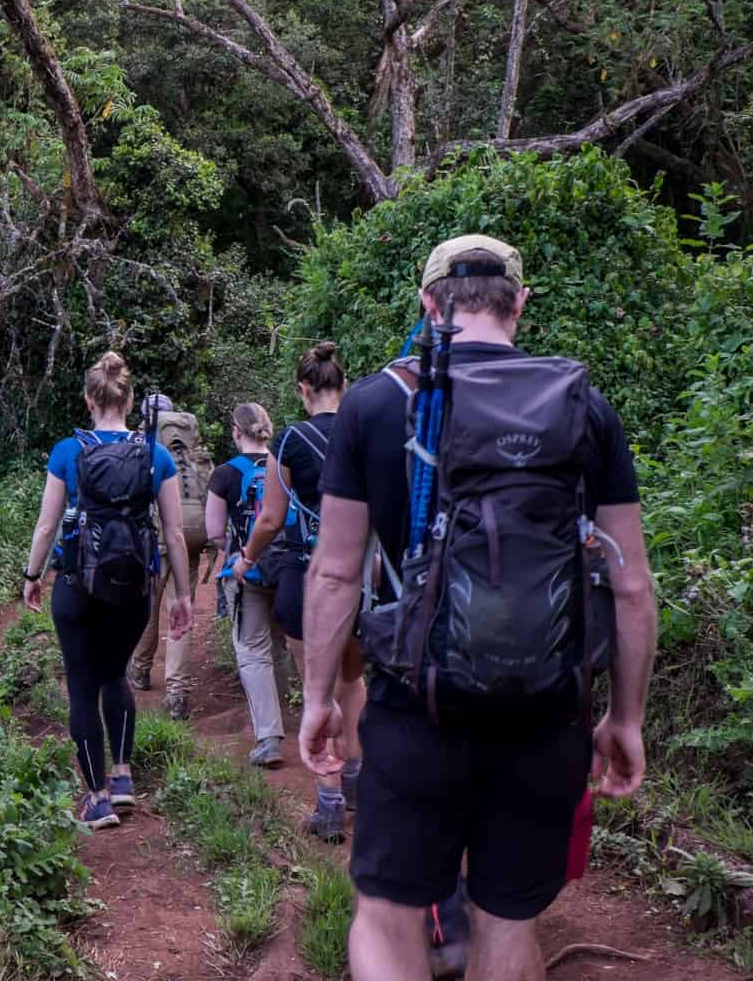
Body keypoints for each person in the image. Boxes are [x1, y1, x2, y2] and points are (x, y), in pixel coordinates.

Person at [298, 235, 657, 981]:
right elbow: (630, 584)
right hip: (544, 717)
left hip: (413, 711)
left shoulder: (370, 407)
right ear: (519, 305)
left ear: (429, 306)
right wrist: (624, 718)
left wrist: (318, 699)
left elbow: (334, 574)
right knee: (506, 921)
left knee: (387, 919)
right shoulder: (585, 409)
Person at [22, 353, 193, 829]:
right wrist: (181, 594)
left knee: (82, 685)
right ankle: (122, 778)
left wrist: (32, 575)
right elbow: (175, 534)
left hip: (78, 584)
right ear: (130, 398)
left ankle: (95, 799)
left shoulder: (67, 452)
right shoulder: (155, 455)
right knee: (115, 674)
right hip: (136, 586)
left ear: (88, 399)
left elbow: (46, 524)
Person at [236, 342, 362, 838]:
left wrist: (246, 559)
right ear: (344, 386)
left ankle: (329, 802)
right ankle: (357, 783)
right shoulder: (364, 435)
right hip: (358, 582)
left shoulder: (288, 442)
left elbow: (269, 518)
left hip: (307, 577)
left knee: (318, 688)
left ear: (303, 389)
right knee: (352, 683)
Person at [206, 402, 289, 767]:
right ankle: (287, 715)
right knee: (281, 646)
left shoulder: (225, 474)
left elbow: (213, 533)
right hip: (290, 567)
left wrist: (238, 549)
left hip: (247, 569)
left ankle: (269, 736)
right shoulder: (286, 465)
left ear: (236, 432)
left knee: (252, 650)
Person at [129, 393, 217, 719]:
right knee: (182, 608)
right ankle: (177, 692)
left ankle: (139, 668)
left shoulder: (142, 445)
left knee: (149, 607)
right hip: (193, 536)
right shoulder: (192, 448)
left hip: (157, 538)